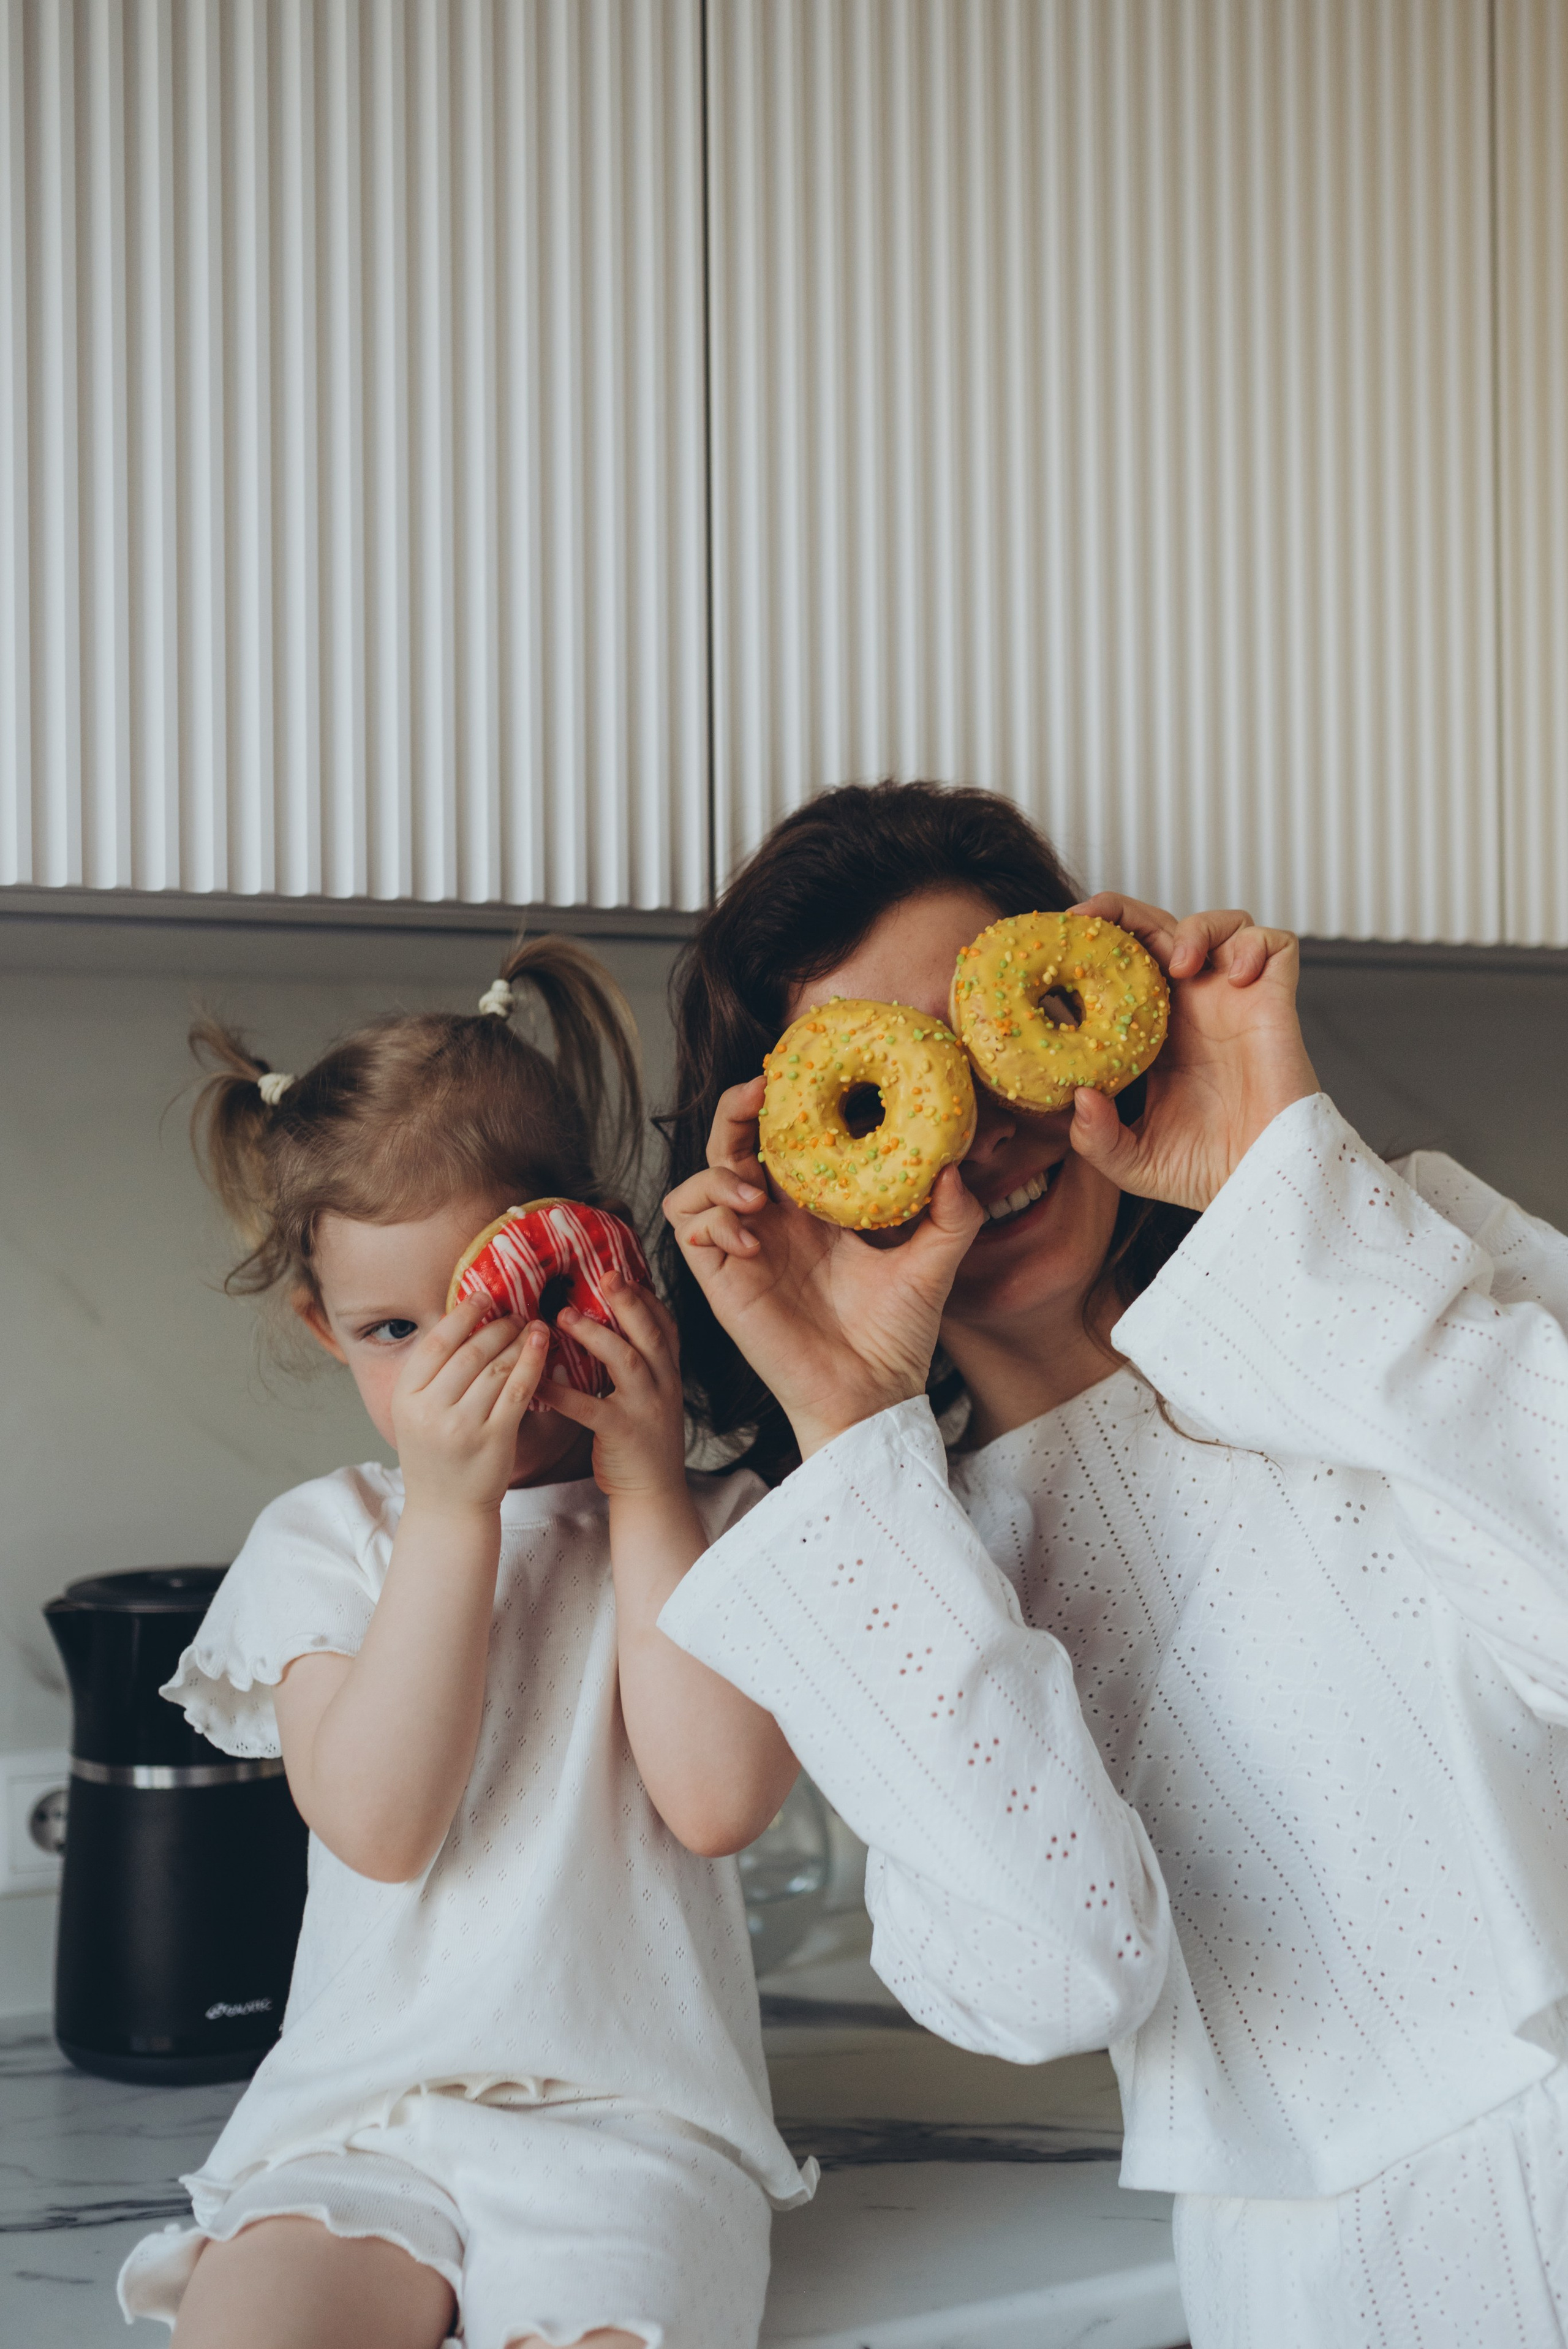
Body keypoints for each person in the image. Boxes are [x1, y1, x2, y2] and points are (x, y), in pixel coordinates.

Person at [658, 782, 1568, 2348]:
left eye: (989, 1046)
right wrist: (848, 1414)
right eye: (901, 1091)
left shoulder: (1373, 1268)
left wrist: (1271, 1180)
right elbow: (1052, 1977)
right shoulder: (907, 1575)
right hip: (1337, 2290)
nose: (979, 1133)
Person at [119, 935, 810, 2349]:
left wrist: (644, 1486)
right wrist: (448, 1514)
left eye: (504, 1308)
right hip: (358, 2117)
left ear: (598, 1258)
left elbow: (716, 1801)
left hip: (636, 2124)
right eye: (392, 1328)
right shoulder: (328, 1542)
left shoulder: (712, 1523)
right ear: (325, 1331)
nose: (458, 1367)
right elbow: (381, 1825)